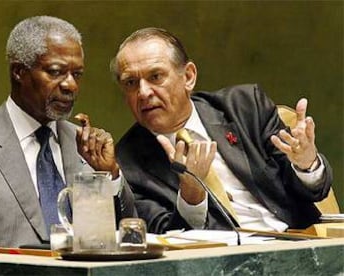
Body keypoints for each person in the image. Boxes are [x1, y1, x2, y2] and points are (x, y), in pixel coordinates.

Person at [0, 16, 136, 251]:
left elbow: (131, 234)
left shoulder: (86, 145)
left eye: (77, 74)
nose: (71, 86)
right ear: (19, 71)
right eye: (56, 72)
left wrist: (109, 174)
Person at [111, 27, 333, 234]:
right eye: (130, 83)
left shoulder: (245, 107)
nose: (143, 92)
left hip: (299, 245)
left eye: (155, 77)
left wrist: (306, 163)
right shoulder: (128, 164)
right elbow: (166, 241)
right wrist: (191, 196)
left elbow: (313, 191)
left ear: (188, 77)